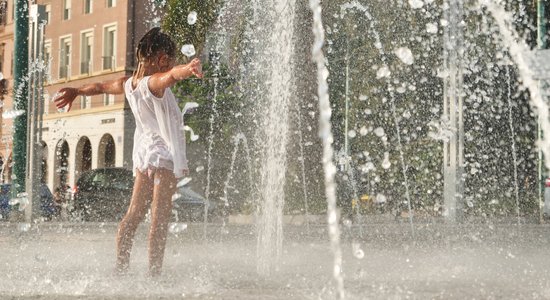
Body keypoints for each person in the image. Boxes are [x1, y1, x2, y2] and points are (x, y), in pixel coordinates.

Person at [53, 27, 203, 276]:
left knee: (133, 215)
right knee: (159, 219)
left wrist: (77, 91)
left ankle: (120, 267)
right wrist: (186, 70)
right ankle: (154, 276)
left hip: (143, 155)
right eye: (171, 61)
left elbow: (101, 86)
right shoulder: (154, 83)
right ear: (162, 60)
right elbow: (171, 77)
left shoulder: (128, 84)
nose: (171, 65)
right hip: (163, 155)